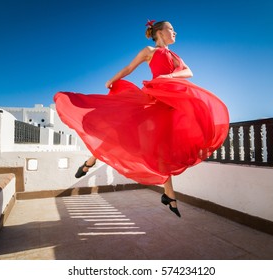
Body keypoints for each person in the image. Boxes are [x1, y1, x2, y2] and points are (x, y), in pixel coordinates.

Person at [54, 20, 229, 218]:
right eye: (171, 29)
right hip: (153, 100)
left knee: (164, 147)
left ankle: (168, 195)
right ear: (160, 32)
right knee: (123, 132)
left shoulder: (175, 55)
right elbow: (129, 68)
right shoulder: (150, 51)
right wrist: (112, 80)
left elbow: (189, 72)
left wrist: (169, 78)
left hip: (170, 103)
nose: (176, 32)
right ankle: (90, 162)